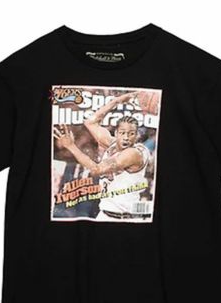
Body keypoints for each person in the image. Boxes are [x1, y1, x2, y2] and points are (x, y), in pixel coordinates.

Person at [53, 91, 151, 221]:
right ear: (116, 133)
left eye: (131, 133)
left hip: (125, 218)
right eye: (122, 133)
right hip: (104, 214)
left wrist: (71, 146)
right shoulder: (112, 144)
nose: (126, 137)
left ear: (137, 135)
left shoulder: (134, 153)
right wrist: (116, 101)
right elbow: (90, 122)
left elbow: (96, 169)